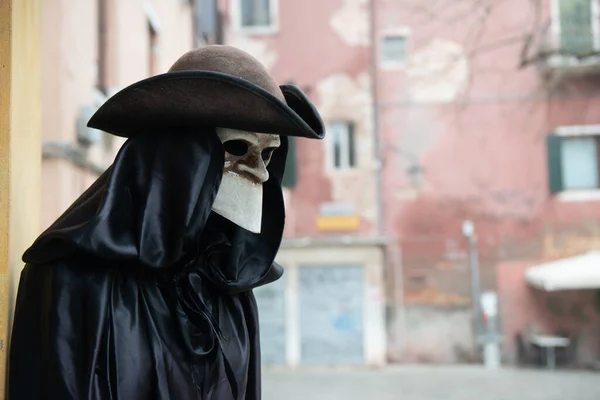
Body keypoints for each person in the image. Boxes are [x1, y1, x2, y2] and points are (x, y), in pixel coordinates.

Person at [9, 45, 324, 400]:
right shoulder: (73, 277)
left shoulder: (226, 286)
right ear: (178, 156)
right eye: (238, 148)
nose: (261, 173)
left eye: (267, 154)